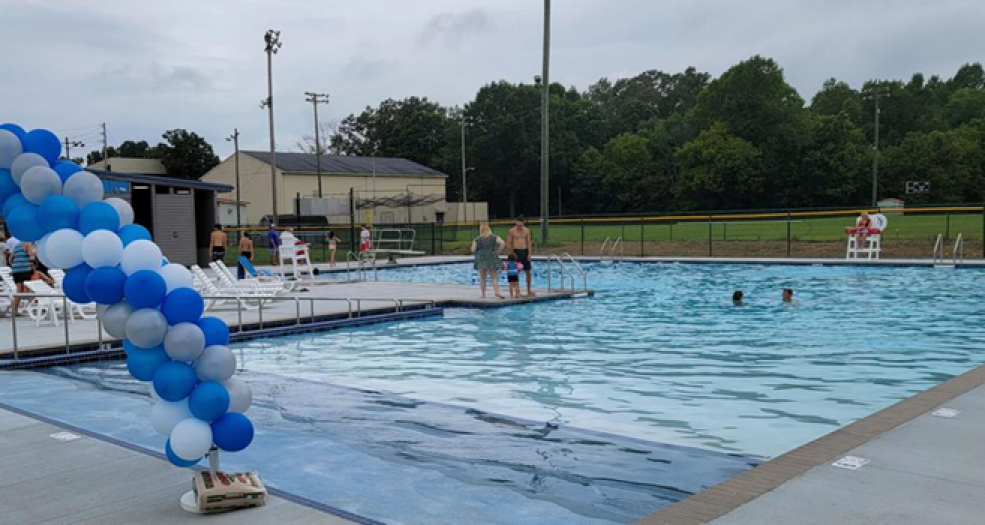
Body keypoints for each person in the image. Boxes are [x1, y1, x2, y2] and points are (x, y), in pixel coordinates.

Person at [472, 222, 505, 299]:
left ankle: (483, 294)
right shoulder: (494, 237)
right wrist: (498, 250)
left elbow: (473, 249)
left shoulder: (477, 239)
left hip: (481, 258)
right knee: (494, 277)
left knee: (482, 278)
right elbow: (502, 243)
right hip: (491, 257)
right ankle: (497, 292)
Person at [506, 217, 535, 296]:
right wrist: (512, 253)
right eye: (518, 225)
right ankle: (517, 291)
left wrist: (529, 253)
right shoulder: (512, 231)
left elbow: (528, 242)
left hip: (525, 251)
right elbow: (508, 243)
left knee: (528, 271)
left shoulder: (527, 230)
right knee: (515, 272)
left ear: (523, 224)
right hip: (516, 251)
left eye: (520, 225)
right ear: (516, 223)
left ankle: (529, 290)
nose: (519, 227)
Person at [9, 241, 33, 315]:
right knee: (30, 289)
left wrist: (15, 265)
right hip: (24, 269)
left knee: (19, 291)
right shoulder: (28, 243)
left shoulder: (16, 246)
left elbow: (10, 259)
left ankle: (15, 310)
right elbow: (30, 254)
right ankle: (32, 309)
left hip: (16, 270)